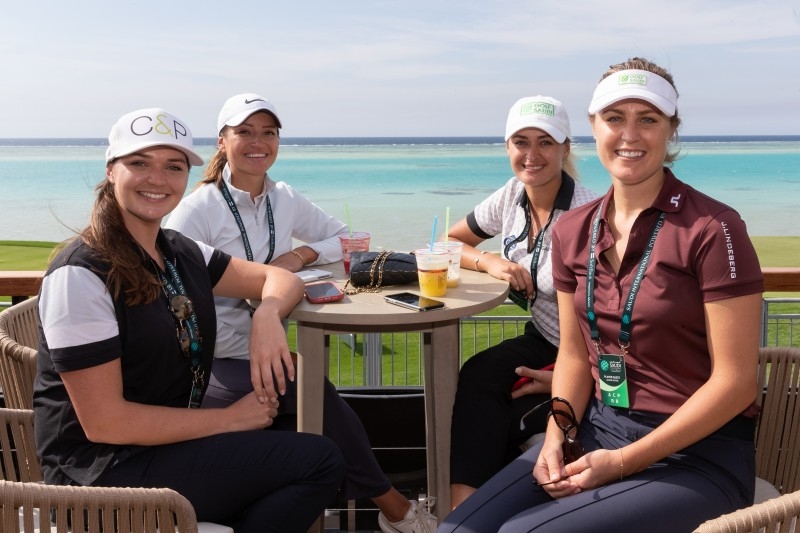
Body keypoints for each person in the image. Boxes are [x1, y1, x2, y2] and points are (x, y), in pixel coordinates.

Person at [439, 57, 764, 532]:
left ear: (671, 131)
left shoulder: (713, 229)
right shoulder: (575, 229)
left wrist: (625, 461)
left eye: (647, 119)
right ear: (594, 126)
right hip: (597, 430)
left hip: (697, 454)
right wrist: (557, 435)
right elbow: (573, 355)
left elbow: (736, 383)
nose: (629, 135)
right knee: (456, 529)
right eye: (615, 118)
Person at [32, 107, 346, 533]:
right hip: (100, 478)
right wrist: (231, 419)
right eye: (139, 163)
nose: (158, 179)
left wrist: (268, 315)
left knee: (299, 445)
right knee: (319, 461)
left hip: (165, 449)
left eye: (173, 166)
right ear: (111, 171)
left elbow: (275, 278)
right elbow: (106, 421)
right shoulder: (82, 274)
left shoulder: (179, 251)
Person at [165, 93, 437, 533]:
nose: (259, 142)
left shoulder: (283, 197)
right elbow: (172, 289)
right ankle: (393, 508)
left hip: (261, 351)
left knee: (317, 397)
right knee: (318, 397)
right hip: (211, 363)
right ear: (221, 141)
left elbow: (345, 238)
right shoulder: (197, 210)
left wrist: (296, 258)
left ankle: (382, 508)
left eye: (268, 132)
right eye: (245, 132)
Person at [446, 95, 598, 509]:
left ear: (565, 149)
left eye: (545, 142)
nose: (532, 155)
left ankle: (470, 512)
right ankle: (462, 513)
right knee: (478, 373)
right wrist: (490, 260)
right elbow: (450, 241)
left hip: (587, 349)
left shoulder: (587, 214)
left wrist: (576, 377)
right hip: (546, 336)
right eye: (521, 142)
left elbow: (616, 319)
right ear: (507, 148)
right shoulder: (513, 194)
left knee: (492, 401)